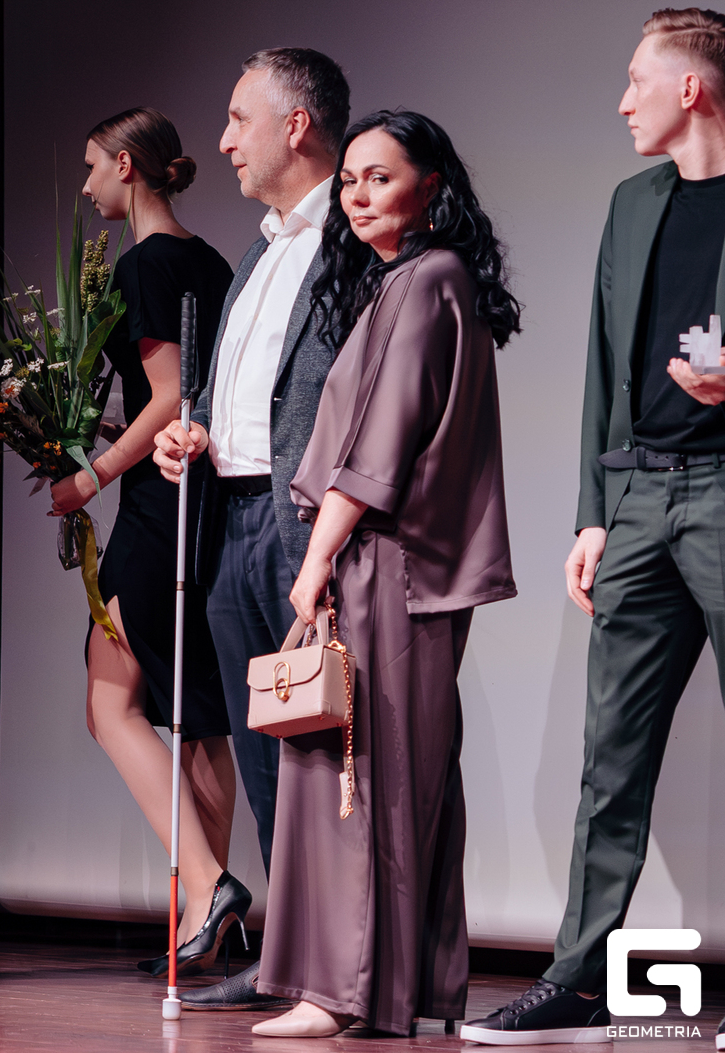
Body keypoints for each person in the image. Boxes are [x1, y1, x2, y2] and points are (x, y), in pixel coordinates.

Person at [463, 8, 725, 1047]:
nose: (622, 102)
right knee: (610, 755)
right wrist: (592, 512)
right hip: (640, 499)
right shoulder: (633, 203)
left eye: (637, 81)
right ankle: (578, 982)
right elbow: (601, 365)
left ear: (692, 89)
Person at [248, 109, 519, 1038]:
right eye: (351, 181)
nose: (359, 197)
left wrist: (318, 555)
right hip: (389, 563)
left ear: (430, 187)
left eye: (381, 178)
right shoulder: (414, 281)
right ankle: (396, 991)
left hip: (384, 566)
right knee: (390, 773)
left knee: (361, 773)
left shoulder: (426, 280)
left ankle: (346, 993)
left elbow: (381, 444)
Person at [152, 48, 349, 1009]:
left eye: (239, 118)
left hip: (299, 520)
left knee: (328, 751)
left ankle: (345, 969)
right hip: (230, 516)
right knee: (266, 752)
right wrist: (194, 428)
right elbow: (247, 390)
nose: (225, 140)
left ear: (295, 125)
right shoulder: (264, 249)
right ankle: (291, 961)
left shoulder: (350, 240)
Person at [44, 108, 243, 978]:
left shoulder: (144, 263)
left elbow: (168, 397)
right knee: (200, 714)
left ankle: (210, 888)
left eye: (94, 166)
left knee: (110, 702)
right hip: (206, 496)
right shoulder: (214, 261)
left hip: (161, 503)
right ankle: (208, 920)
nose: (88, 184)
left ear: (126, 166)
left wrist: (91, 475)